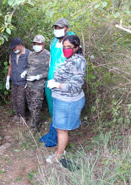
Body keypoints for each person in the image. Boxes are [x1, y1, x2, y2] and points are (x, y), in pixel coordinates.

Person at [45, 35, 87, 164]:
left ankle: (58, 155)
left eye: (69, 47)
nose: (66, 49)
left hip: (68, 101)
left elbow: (75, 86)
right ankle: (61, 150)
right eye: (64, 47)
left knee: (62, 129)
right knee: (60, 128)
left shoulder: (78, 61)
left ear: (77, 47)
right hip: (61, 99)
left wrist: (57, 85)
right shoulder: (70, 58)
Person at [40, 18, 75, 147]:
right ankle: (54, 132)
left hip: (62, 82)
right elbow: (51, 60)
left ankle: (60, 137)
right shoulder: (54, 41)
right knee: (53, 108)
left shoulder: (72, 41)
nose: (57, 30)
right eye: (56, 27)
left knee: (62, 109)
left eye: (60, 28)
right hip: (51, 80)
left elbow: (74, 61)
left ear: (67, 28)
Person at [21, 35, 50, 128]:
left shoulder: (48, 55)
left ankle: (35, 126)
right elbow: (29, 66)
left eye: (38, 44)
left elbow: (50, 71)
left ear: (44, 44)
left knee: (36, 106)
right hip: (28, 84)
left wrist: (38, 77)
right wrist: (25, 72)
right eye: (34, 43)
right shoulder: (31, 54)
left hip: (39, 85)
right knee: (30, 105)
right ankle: (33, 122)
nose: (36, 45)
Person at [6, 37, 30, 123]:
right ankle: (17, 115)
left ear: (20, 45)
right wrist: (8, 79)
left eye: (14, 47)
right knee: (14, 99)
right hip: (14, 80)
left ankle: (22, 117)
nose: (13, 49)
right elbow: (10, 66)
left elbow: (31, 67)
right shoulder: (12, 54)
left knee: (20, 100)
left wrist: (27, 73)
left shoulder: (28, 54)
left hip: (23, 81)